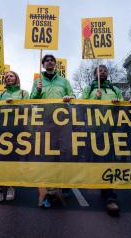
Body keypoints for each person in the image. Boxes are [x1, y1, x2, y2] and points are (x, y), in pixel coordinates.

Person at [30, 54, 74, 208]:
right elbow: (32, 101)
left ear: (55, 64)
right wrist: (37, 91)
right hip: (45, 123)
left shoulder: (64, 81)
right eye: (46, 60)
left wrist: (69, 96)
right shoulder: (37, 81)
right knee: (48, 156)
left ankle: (65, 183)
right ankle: (50, 190)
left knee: (65, 152)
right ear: (43, 65)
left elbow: (73, 96)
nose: (49, 62)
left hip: (62, 122)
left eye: (52, 60)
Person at [0, 71, 29, 206]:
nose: (9, 78)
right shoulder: (1, 94)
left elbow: (28, 108)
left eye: (11, 76)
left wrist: (14, 104)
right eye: (7, 76)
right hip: (0, 130)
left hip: (16, 130)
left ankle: (11, 187)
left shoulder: (23, 93)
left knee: (12, 159)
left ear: (16, 78)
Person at [82, 64, 123, 214]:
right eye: (99, 70)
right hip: (95, 131)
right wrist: (94, 98)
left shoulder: (115, 89)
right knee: (98, 161)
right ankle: (102, 186)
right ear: (94, 74)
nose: (103, 72)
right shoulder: (89, 89)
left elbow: (123, 105)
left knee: (109, 161)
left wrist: (119, 103)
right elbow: (81, 106)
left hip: (112, 129)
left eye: (105, 70)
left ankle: (109, 196)